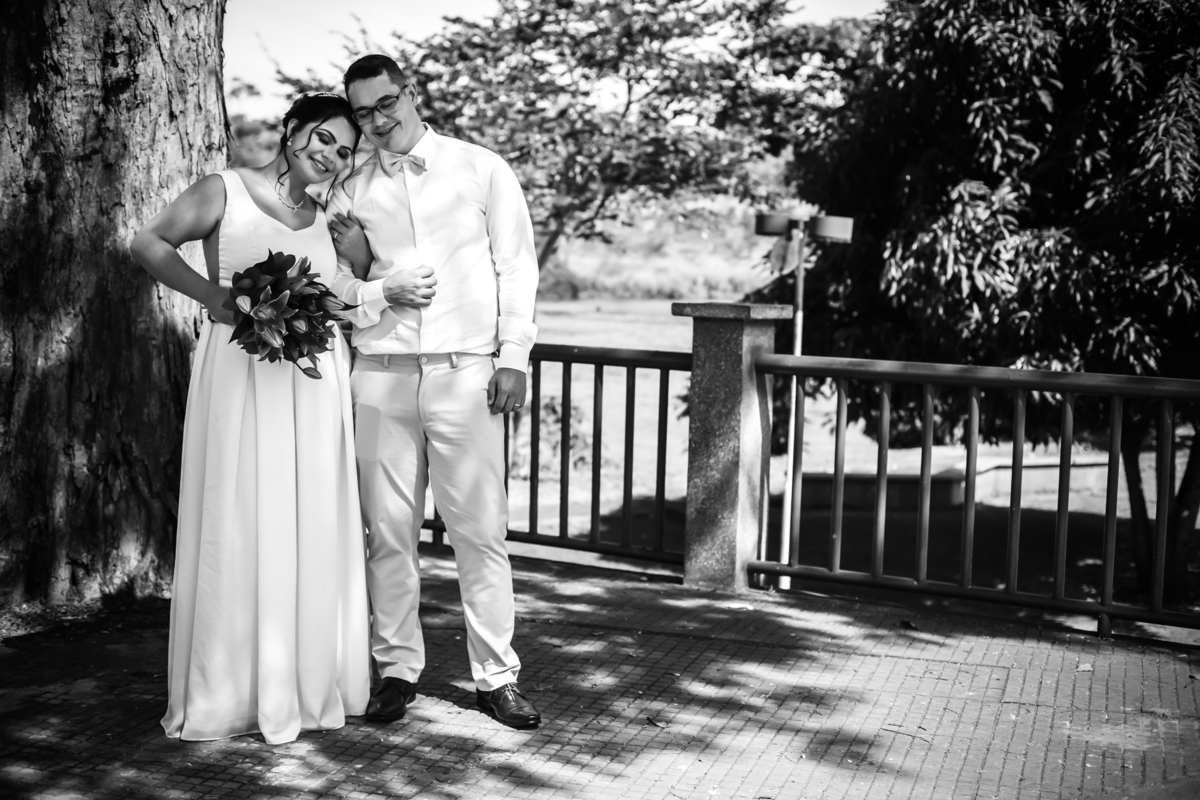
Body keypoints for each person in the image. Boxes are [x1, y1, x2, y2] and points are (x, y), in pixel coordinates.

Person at [130, 92, 372, 745]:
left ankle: (306, 681)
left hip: (312, 384)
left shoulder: (328, 217)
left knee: (309, 518)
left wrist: (359, 259)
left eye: (344, 150)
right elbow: (147, 242)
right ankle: (231, 689)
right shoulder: (224, 189)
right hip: (240, 375)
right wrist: (212, 296)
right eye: (323, 138)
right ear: (292, 130)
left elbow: (345, 297)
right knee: (240, 513)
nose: (331, 154)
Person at [326, 54, 541, 729]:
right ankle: (396, 671)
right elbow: (332, 290)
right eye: (362, 112)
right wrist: (377, 289)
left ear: (411, 92)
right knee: (387, 533)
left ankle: (496, 677)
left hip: (465, 374)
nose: (377, 119)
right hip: (379, 377)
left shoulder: (482, 168)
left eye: (386, 102)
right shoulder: (348, 189)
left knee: (480, 533)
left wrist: (514, 356)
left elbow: (516, 266)